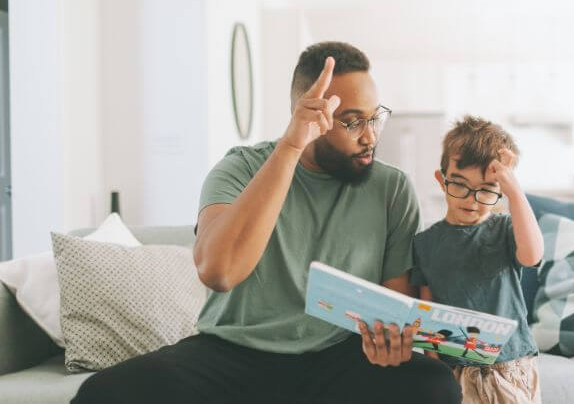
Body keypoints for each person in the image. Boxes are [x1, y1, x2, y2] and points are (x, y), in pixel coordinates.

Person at [71, 41, 461, 404]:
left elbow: (393, 304)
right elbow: (218, 271)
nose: (370, 136)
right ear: (308, 117)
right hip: (233, 353)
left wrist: (390, 342)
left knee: (433, 385)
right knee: (103, 393)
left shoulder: (391, 187)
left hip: (338, 356)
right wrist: (290, 147)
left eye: (375, 118)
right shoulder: (238, 169)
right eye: (351, 122)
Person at [411, 116, 544, 404]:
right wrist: (434, 368)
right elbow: (427, 308)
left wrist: (515, 192)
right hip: (453, 369)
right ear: (441, 179)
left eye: (485, 190)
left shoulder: (505, 229)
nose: (471, 200)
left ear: (499, 193)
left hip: (508, 366)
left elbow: (532, 255)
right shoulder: (425, 244)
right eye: (459, 185)